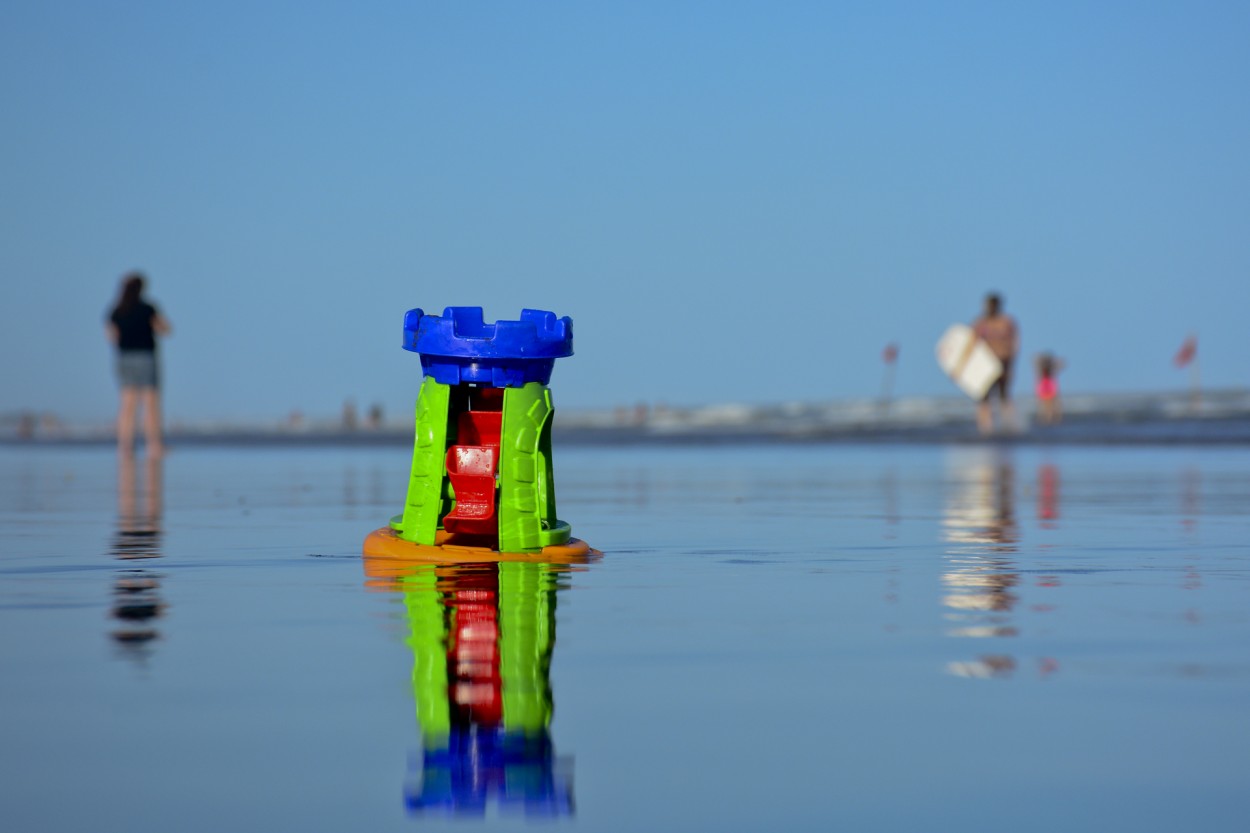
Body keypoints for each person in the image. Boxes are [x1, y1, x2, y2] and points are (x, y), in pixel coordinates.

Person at [106, 272, 171, 457]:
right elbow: (164, 329)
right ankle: (154, 445)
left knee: (127, 404)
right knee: (150, 403)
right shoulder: (148, 309)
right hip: (145, 357)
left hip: (124, 358)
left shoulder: (117, 310)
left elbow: (111, 336)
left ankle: (124, 446)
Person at [972, 292, 1019, 434]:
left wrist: (1011, 364)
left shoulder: (1006, 322)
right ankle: (986, 429)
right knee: (984, 398)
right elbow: (971, 344)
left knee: (1004, 395)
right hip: (985, 365)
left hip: (1003, 363)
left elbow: (1015, 343)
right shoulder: (980, 323)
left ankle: (1010, 426)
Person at [1034, 353, 1064, 425]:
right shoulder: (1048, 368)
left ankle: (1046, 419)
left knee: (1046, 404)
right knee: (1052, 403)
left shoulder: (1043, 368)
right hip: (1047, 384)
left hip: (1045, 384)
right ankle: (1051, 419)